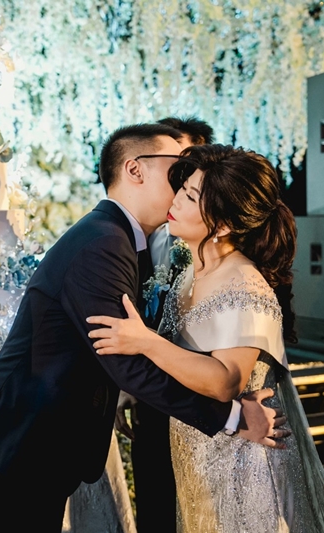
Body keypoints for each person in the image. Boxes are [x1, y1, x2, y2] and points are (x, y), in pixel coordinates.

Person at [0, 125, 289, 532]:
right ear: (135, 169)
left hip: (34, 444)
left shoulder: (126, 241)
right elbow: (125, 361)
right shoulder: (104, 243)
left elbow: (136, 349)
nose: (183, 179)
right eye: (177, 169)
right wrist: (235, 417)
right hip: (18, 443)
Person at [88, 144, 324, 532]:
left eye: (191, 197)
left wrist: (145, 342)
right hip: (198, 453)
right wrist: (134, 390)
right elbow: (183, 359)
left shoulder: (243, 285)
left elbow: (225, 381)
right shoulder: (190, 273)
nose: (176, 200)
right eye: (182, 189)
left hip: (245, 466)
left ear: (223, 225)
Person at [116, 115, 215, 533]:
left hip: (202, 400)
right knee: (156, 505)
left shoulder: (224, 250)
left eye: (186, 165)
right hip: (153, 396)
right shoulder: (144, 233)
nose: (178, 178)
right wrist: (127, 387)